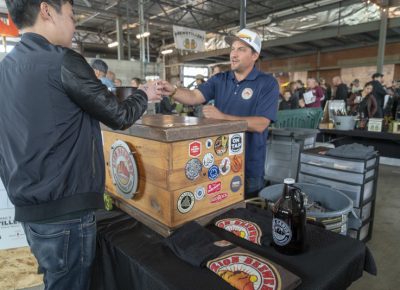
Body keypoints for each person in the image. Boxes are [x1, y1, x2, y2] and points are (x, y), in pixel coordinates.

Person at [0, 1, 162, 289]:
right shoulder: (62, 60)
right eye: (72, 16)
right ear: (47, 10)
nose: (75, 26)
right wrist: (144, 94)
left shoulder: (6, 68)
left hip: (29, 209)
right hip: (67, 213)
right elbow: (119, 115)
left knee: (56, 279)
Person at [161, 28, 279, 198]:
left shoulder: (267, 83)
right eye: (233, 49)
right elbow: (194, 96)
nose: (234, 54)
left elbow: (261, 124)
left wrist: (222, 117)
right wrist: (172, 91)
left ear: (254, 55)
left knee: (247, 214)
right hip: (219, 162)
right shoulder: (220, 79)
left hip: (248, 165)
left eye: (241, 49)